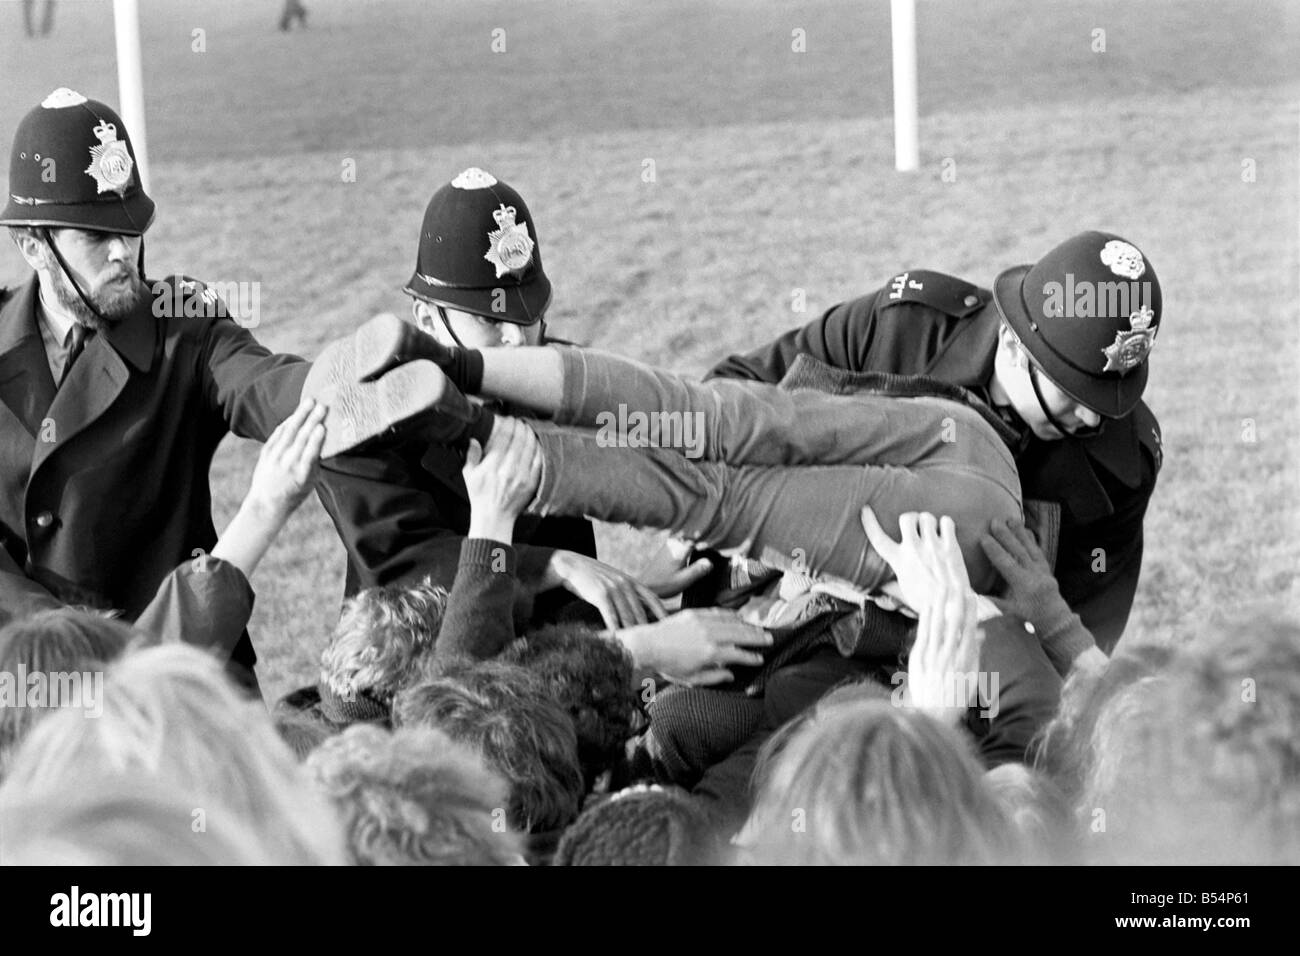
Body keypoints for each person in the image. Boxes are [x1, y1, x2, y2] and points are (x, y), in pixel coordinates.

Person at [704, 231, 1164, 655]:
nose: (1091, 418)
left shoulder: (1121, 465)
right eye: (1071, 390)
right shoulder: (900, 332)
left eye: (1107, 394)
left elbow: (1084, 640)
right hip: (772, 599)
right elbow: (727, 397)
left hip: (959, 673)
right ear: (1011, 342)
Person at [0, 89, 311, 690]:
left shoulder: (181, 319)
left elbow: (264, 384)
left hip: (187, 677)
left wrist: (346, 383)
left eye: (131, 228)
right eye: (96, 236)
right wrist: (63, 642)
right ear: (32, 245)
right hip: (36, 679)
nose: (124, 253)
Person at [315, 169, 709, 632]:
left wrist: (694, 518)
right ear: (426, 318)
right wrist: (557, 565)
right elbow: (405, 564)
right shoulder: (367, 415)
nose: (518, 341)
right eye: (489, 320)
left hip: (571, 653)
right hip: (416, 677)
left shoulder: (559, 374)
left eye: (531, 316)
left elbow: (670, 428)